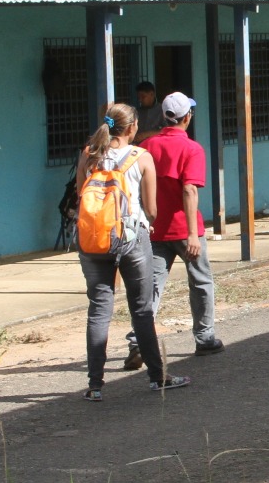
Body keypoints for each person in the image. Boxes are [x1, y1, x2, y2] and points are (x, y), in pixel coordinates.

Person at [77, 104, 181, 397]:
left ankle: (95, 386)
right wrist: (148, 222)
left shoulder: (88, 154)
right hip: (131, 237)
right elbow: (152, 208)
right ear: (133, 127)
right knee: (141, 309)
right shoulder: (141, 157)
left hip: (93, 240)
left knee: (99, 310)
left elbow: (81, 194)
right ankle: (157, 377)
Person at [130, 91, 225, 362]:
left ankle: (138, 341)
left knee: (151, 286)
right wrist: (193, 234)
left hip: (154, 229)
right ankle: (205, 338)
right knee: (201, 282)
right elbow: (189, 190)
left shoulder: (146, 147)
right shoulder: (192, 149)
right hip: (185, 229)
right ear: (187, 117)